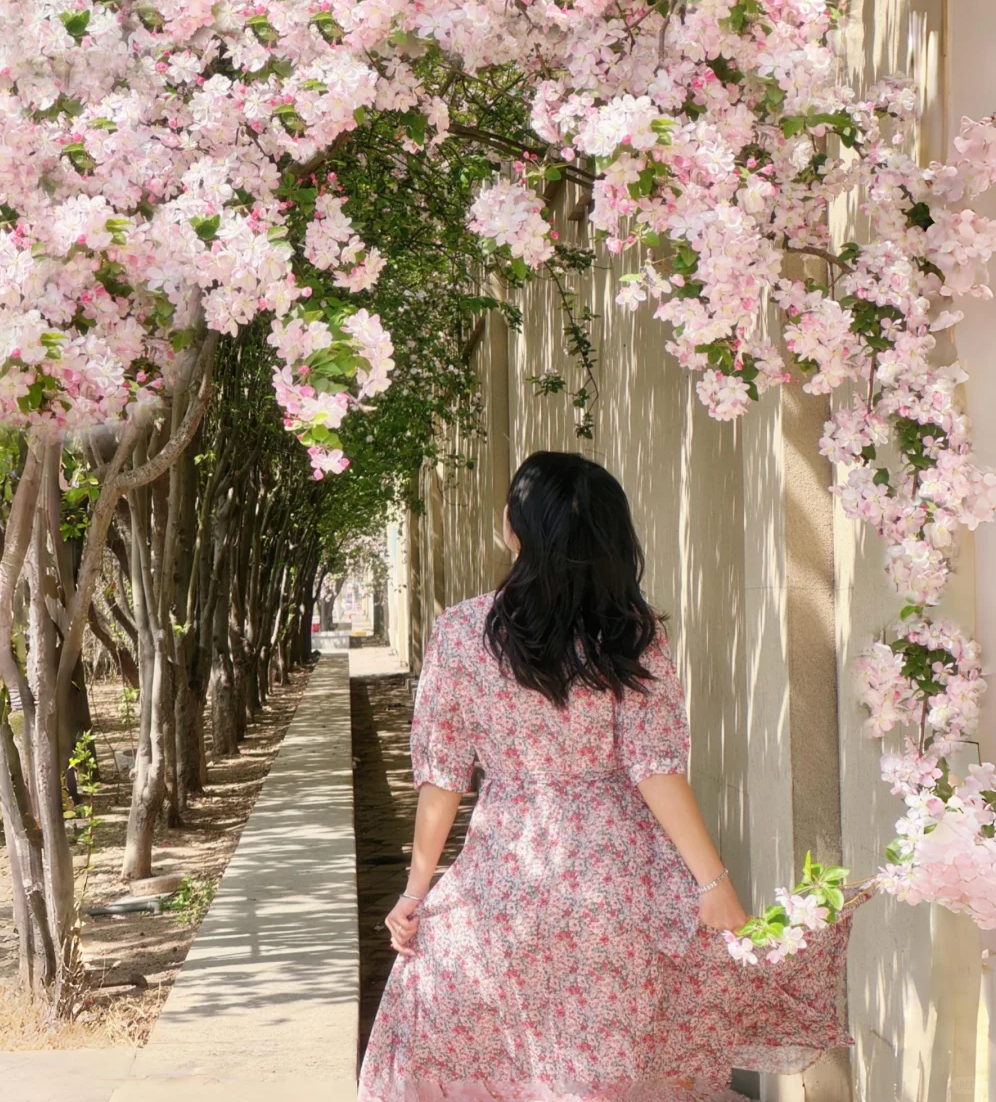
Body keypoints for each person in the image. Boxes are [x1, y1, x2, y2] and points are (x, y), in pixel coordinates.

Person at [358, 451, 855, 1102]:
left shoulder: (459, 635)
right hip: (619, 888)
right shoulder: (628, 633)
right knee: (608, 1069)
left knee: (482, 1046)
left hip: (505, 879)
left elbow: (442, 779)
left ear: (513, 527)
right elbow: (655, 768)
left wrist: (416, 890)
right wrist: (714, 884)